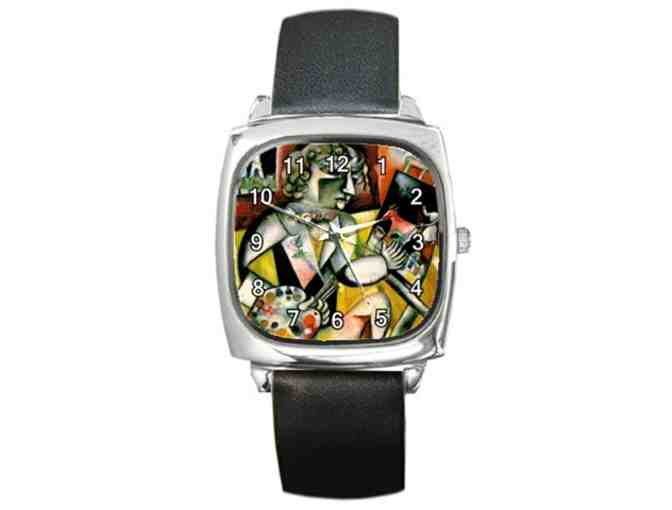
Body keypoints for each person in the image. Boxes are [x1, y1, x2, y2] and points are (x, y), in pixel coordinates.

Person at [237, 143, 408, 340]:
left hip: (327, 330)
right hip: (282, 331)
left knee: (380, 303)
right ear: (304, 177)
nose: (349, 189)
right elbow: (241, 279)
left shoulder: (342, 222)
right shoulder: (279, 221)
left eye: (353, 179)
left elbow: (347, 273)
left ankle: (375, 353)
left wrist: (383, 264)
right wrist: (292, 313)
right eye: (338, 176)